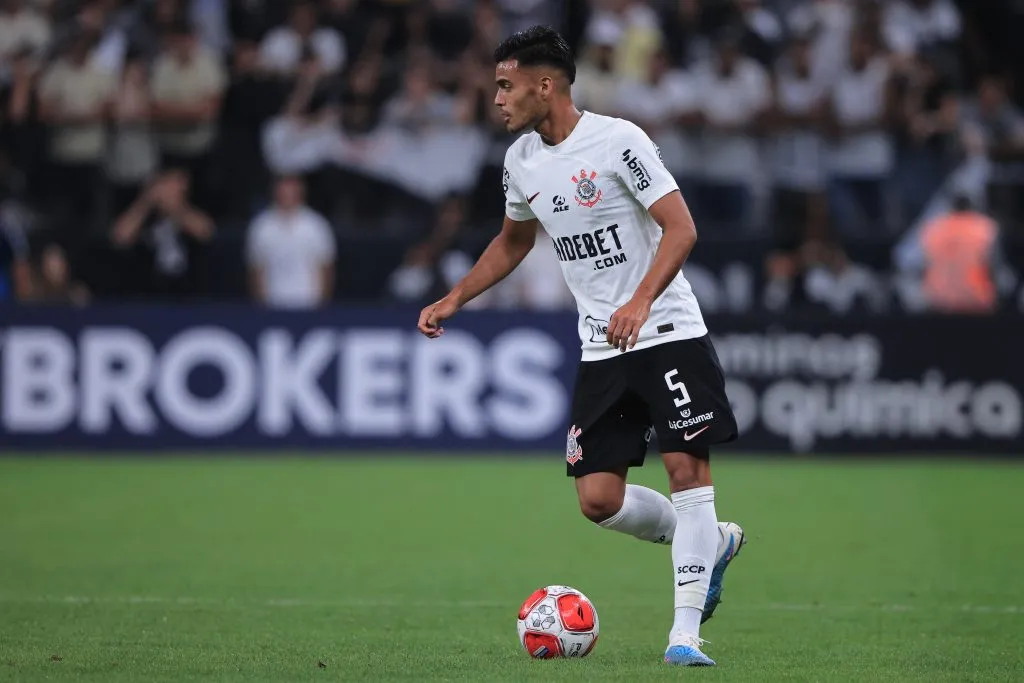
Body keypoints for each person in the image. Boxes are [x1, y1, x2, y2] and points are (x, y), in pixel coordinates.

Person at [416, 26, 745, 667]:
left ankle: (684, 635)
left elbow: (681, 228)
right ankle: (712, 543)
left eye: (507, 86)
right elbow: (513, 243)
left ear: (548, 84)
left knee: (687, 475)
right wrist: (455, 298)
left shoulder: (619, 141)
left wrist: (641, 299)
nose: (498, 101)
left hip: (668, 331)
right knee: (597, 498)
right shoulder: (522, 162)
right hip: (600, 347)